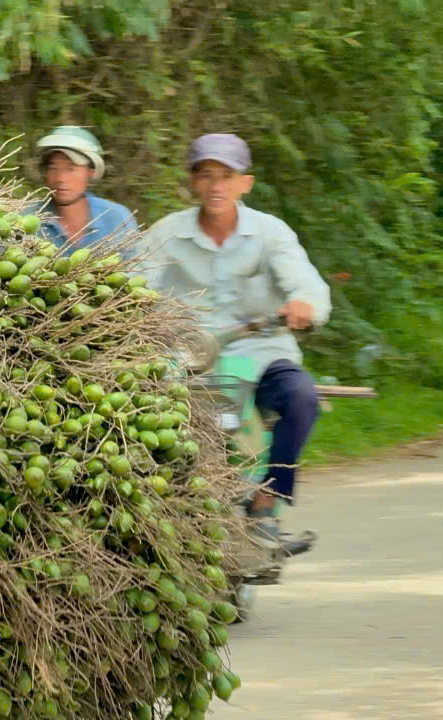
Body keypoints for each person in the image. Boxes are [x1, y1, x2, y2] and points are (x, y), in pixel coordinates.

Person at [138, 133, 331, 549]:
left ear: (246, 183)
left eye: (227, 175)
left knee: (302, 397)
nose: (216, 186)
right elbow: (133, 284)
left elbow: (308, 285)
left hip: (259, 355)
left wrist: (304, 304)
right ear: (193, 181)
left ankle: (268, 497)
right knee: (150, 419)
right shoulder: (167, 233)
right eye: (206, 175)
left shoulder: (270, 233)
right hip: (190, 358)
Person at [34, 126, 137, 252]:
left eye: (71, 168)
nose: (60, 178)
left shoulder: (117, 219)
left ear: (90, 172)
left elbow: (137, 269)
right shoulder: (27, 220)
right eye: (53, 168)